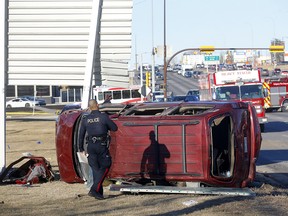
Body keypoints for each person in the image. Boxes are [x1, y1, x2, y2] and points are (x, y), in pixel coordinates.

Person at [78, 99, 118, 200]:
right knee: (106, 165)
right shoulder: (103, 117)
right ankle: (94, 189)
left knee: (96, 170)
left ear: (90, 107)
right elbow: (114, 128)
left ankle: (98, 193)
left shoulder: (86, 119)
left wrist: (80, 148)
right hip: (101, 145)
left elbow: (81, 134)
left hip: (90, 146)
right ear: (97, 105)